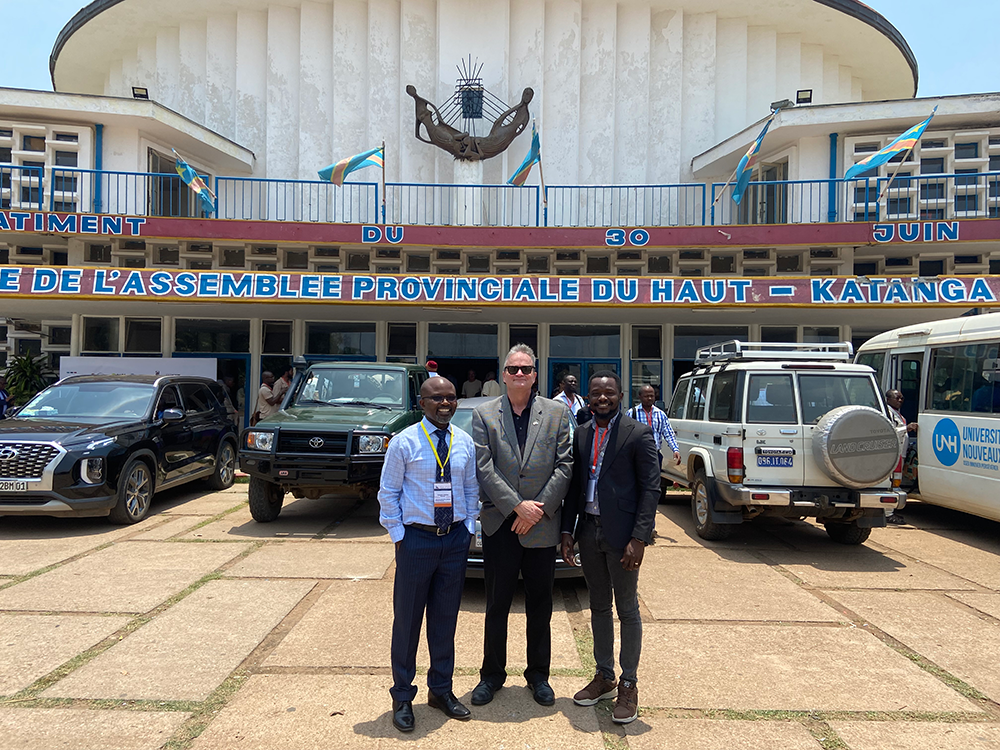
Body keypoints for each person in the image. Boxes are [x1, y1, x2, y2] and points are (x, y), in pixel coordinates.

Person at [470, 344, 573, 707]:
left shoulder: (558, 413)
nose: (518, 374)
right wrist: (517, 507)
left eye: (525, 369)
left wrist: (537, 511)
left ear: (535, 374)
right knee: (496, 604)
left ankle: (538, 676)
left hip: (541, 527)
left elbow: (565, 466)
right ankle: (491, 676)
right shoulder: (484, 415)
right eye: (512, 369)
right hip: (501, 525)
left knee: (540, 606)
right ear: (503, 374)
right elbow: (483, 467)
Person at [377, 376, 479, 733]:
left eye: (450, 398)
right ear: (422, 404)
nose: (445, 404)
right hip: (416, 540)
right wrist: (399, 536)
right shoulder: (403, 442)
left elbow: (470, 489)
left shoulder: (463, 442)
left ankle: (441, 690)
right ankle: (403, 696)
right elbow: (388, 492)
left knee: (444, 620)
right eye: (437, 399)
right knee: (407, 622)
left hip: (453, 541)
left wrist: (469, 529)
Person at [561, 370, 660, 725]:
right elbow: (575, 487)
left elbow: (651, 489)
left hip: (622, 538)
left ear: (620, 395)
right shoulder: (583, 432)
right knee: (598, 607)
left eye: (609, 393)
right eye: (596, 393)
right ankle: (604, 676)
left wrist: (639, 538)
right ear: (588, 397)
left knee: (627, 610)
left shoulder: (638, 433)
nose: (602, 398)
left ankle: (629, 684)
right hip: (588, 532)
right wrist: (567, 531)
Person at [627, 384, 681, 468]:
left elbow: (669, 434)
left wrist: (675, 450)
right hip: (637, 455)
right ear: (640, 397)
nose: (649, 398)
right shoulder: (632, 413)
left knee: (654, 480)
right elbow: (626, 435)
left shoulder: (660, 414)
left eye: (652, 396)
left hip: (654, 455)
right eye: (646, 396)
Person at [886, 389, 918, 519]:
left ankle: (891, 511)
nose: (900, 400)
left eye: (901, 398)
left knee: (896, 481)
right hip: (893, 454)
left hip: (900, 454)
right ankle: (888, 513)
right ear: (888, 399)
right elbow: (890, 431)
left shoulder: (897, 413)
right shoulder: (887, 412)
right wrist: (907, 428)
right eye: (896, 398)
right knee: (891, 482)